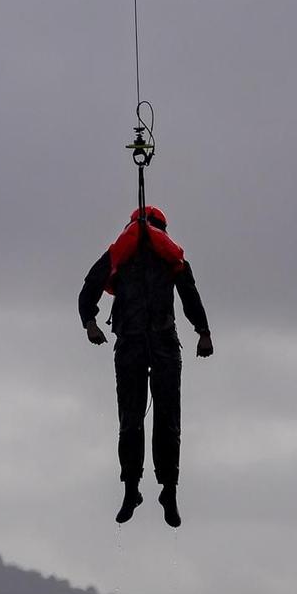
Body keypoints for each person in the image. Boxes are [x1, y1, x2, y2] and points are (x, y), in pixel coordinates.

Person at [79, 205, 212, 526]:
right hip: (141, 344)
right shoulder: (146, 255)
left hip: (150, 344)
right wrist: (204, 332)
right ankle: (140, 488)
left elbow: (88, 289)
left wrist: (91, 323)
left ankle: (158, 490)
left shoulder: (162, 258)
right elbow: (190, 295)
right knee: (146, 419)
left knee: (145, 419)